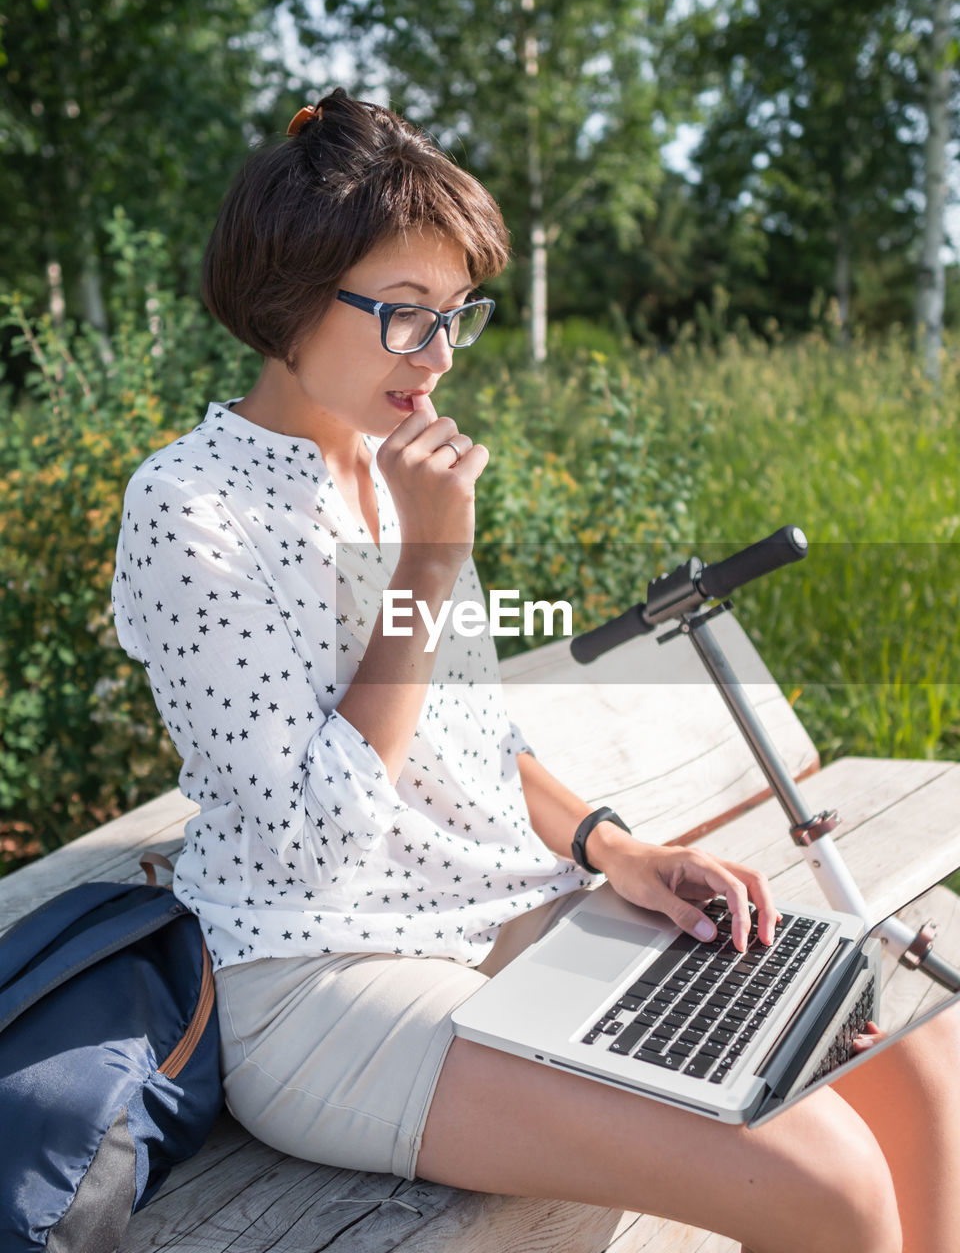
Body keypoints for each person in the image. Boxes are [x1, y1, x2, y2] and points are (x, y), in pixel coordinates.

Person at [112, 89, 960, 1253]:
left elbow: (474, 738)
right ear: (285, 299)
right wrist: (429, 559)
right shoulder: (191, 505)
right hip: (326, 974)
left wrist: (619, 848)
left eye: (459, 314)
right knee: (830, 1184)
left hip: (505, 905)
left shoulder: (396, 466)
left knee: (920, 1054)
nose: (444, 354)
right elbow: (317, 839)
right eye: (406, 315)